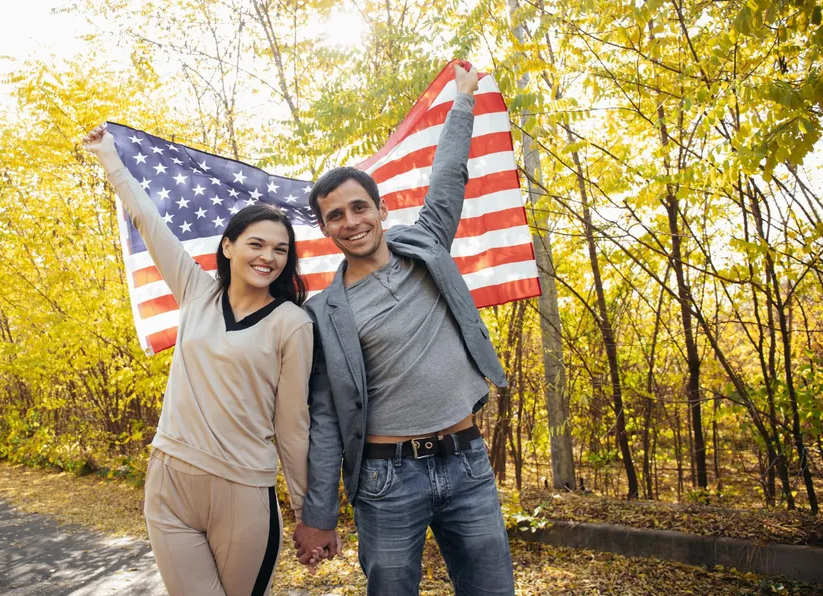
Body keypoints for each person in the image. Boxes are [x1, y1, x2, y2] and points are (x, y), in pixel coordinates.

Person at [292, 63, 517, 595]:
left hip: (467, 463)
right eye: (336, 216)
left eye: (358, 207)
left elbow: (448, 176)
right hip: (385, 478)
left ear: (381, 208)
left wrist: (464, 98)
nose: (351, 222)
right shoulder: (323, 312)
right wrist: (319, 513)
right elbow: (325, 418)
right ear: (325, 230)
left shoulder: (426, 246)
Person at [82, 125, 321, 595]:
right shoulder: (195, 292)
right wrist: (109, 158)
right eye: (256, 244)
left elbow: (293, 423)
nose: (268, 257)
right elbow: (149, 221)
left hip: (242, 490)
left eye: (280, 250)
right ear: (228, 246)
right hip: (169, 480)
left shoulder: (293, 323)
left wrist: (306, 513)